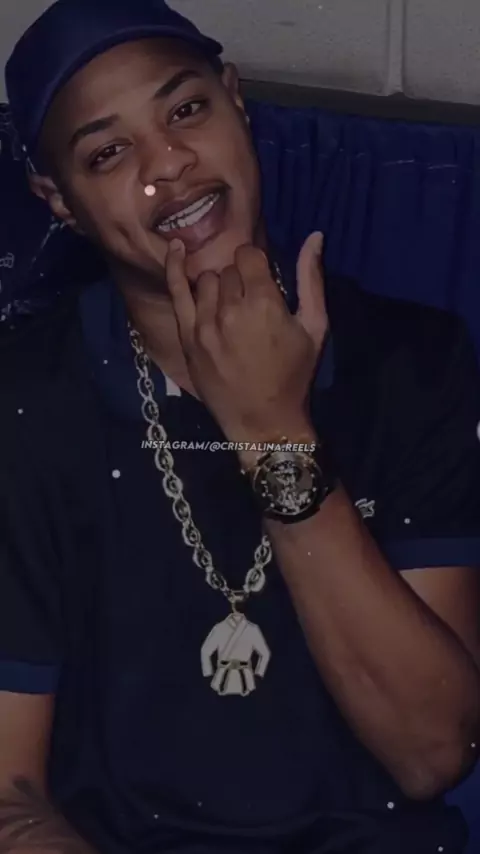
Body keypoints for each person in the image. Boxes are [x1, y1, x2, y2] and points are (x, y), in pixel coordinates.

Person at [1, 1, 480, 852]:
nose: (169, 164)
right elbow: (12, 795)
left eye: (187, 109)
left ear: (235, 99)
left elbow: (433, 752)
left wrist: (273, 432)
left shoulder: (411, 364)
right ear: (59, 200)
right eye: (108, 153)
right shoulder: (26, 402)